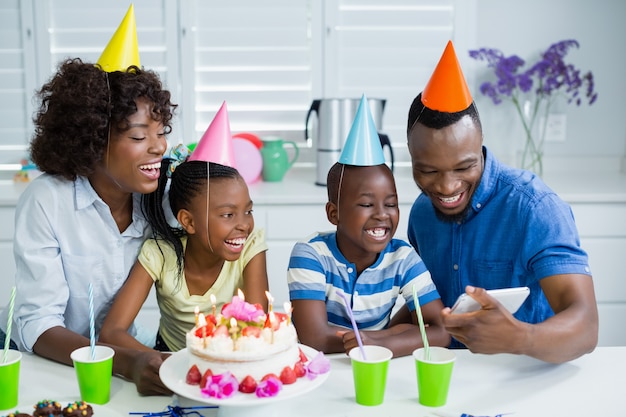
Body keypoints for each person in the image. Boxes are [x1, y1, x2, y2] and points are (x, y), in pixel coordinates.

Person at [0, 5, 177, 395]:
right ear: (93, 140)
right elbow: (40, 326)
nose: (159, 147)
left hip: (118, 348)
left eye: (161, 131)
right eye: (138, 137)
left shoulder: (159, 199)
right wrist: (124, 362)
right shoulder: (46, 201)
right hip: (39, 356)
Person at [405, 40, 598, 363]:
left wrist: (521, 337)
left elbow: (586, 327)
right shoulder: (422, 214)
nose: (447, 186)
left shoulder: (534, 208)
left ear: (480, 145)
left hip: (525, 378)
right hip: (444, 379)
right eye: (427, 171)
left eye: (464, 167)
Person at [287, 96, 449, 358]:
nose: (382, 215)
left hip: (378, 365)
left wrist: (383, 342)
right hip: (317, 369)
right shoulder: (311, 255)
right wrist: (389, 337)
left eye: (391, 204)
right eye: (366, 204)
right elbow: (314, 338)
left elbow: (442, 330)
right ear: (334, 213)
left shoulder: (403, 258)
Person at [100, 103, 269, 353]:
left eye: (248, 211)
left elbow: (255, 328)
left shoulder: (250, 247)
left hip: (232, 358)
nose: (243, 224)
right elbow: (111, 332)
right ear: (188, 221)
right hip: (169, 357)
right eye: (228, 214)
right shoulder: (160, 253)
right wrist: (165, 364)